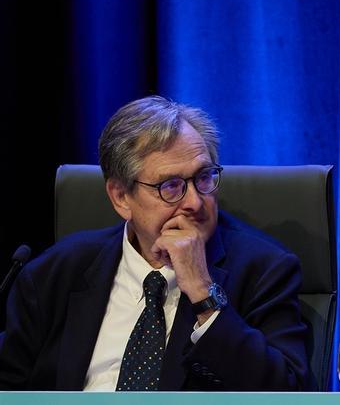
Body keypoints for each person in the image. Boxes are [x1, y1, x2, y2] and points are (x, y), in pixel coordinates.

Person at [0, 96, 312, 390]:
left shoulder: (264, 270)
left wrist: (203, 293)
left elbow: (288, 392)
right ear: (121, 197)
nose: (195, 202)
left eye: (204, 177)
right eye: (171, 186)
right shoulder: (54, 274)